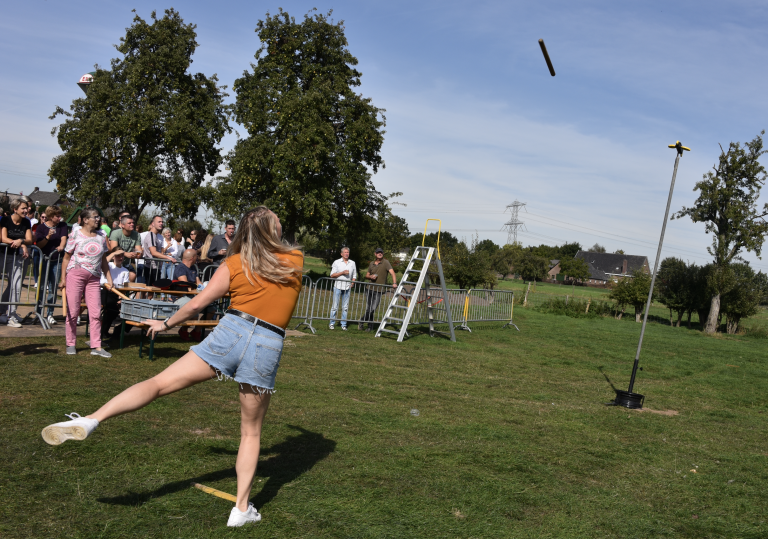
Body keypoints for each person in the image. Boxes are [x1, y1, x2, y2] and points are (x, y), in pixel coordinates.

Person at [42, 206, 304, 528]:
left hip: (230, 332)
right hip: (267, 343)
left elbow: (196, 303)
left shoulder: (235, 263)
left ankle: (92, 419)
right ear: (270, 231)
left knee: (158, 383)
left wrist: (165, 323)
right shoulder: (294, 261)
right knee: (250, 433)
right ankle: (240, 510)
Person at [59, 208, 113, 356]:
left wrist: (109, 278)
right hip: (75, 275)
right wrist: (63, 278)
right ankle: (71, 343)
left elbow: (103, 260)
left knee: (96, 312)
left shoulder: (101, 237)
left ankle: (96, 346)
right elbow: (66, 257)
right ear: (85, 219)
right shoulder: (75, 233)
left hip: (94, 278)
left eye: (98, 217)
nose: (98, 219)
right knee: (73, 311)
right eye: (95, 217)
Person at [0, 198, 33, 327]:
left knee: (16, 285)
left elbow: (29, 239)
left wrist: (21, 242)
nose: (26, 210)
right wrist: (18, 243)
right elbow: (2, 237)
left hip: (16, 257)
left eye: (26, 208)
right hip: (3, 254)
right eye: (23, 208)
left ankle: (12, 315)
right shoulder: (6, 220)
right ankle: (2, 312)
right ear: (15, 209)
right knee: (11, 285)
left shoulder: (26, 222)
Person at [34, 205, 69, 325]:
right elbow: (39, 245)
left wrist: (61, 246)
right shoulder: (41, 228)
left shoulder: (62, 226)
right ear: (50, 216)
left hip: (57, 260)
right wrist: (48, 236)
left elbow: (64, 238)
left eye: (60, 215)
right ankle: (38, 312)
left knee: (53, 287)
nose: (60, 218)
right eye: (57, 216)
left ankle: (50, 313)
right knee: (42, 287)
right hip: (43, 260)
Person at [359, 247, 397, 331]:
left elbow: (392, 273)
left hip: (379, 290)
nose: (380, 254)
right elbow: (367, 275)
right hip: (369, 288)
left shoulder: (386, 262)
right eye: (378, 252)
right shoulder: (372, 263)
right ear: (375, 254)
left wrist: (394, 283)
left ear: (383, 254)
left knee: (373, 308)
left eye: (381, 252)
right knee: (369, 309)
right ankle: (370, 327)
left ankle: (361, 320)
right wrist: (370, 276)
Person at [99, 250, 130, 342]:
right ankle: (103, 332)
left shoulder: (125, 271)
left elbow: (125, 287)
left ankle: (118, 331)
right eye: (118, 256)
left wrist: (121, 297)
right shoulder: (108, 265)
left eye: (122, 256)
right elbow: (102, 262)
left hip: (117, 293)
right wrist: (113, 253)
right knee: (112, 309)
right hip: (104, 291)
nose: (120, 258)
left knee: (133, 309)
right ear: (113, 257)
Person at [140, 215, 175, 286]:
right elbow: (154, 252)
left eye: (162, 222)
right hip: (151, 268)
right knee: (150, 291)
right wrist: (169, 258)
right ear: (153, 224)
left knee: (151, 292)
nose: (161, 223)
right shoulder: (151, 235)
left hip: (155, 267)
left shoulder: (156, 235)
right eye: (159, 222)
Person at [328, 246, 357, 331]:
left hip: (347, 287)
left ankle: (343, 324)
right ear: (341, 254)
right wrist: (342, 273)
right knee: (334, 306)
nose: (346, 254)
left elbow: (354, 275)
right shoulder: (337, 262)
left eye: (347, 252)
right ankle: (331, 323)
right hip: (337, 286)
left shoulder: (352, 263)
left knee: (345, 307)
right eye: (345, 252)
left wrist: (352, 282)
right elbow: (332, 275)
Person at [108, 215, 143, 283]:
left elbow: (139, 250)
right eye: (129, 223)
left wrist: (137, 254)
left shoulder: (137, 235)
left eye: (133, 223)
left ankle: (125, 293)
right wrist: (125, 254)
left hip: (126, 263)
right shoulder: (115, 233)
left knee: (133, 275)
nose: (132, 224)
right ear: (123, 225)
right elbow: (113, 249)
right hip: (114, 262)